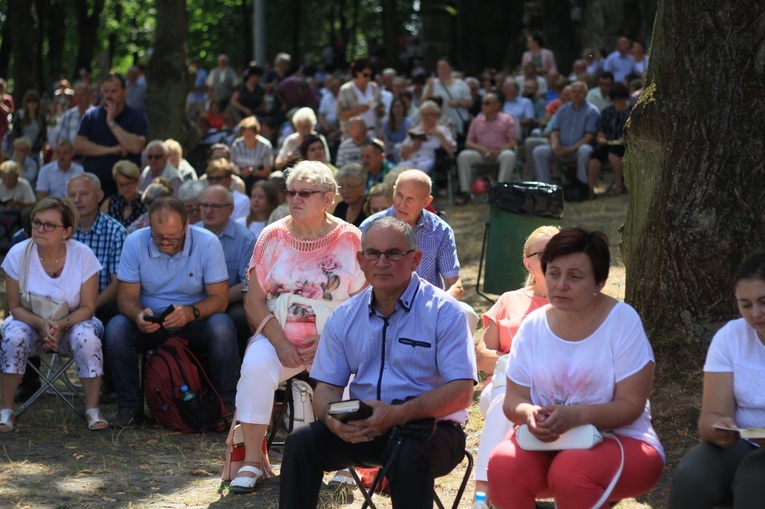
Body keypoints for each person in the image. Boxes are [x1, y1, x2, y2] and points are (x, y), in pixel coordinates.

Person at [278, 215, 477, 508]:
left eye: (393, 253)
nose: (382, 262)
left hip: (432, 430)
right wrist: (334, 422)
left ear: (415, 259)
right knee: (301, 442)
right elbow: (326, 391)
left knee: (408, 453)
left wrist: (397, 415)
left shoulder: (445, 312)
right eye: (373, 253)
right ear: (361, 260)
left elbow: (462, 392)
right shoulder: (345, 317)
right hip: (366, 426)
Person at [487, 227, 664, 508]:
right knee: (502, 465)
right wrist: (529, 414)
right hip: (547, 442)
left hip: (621, 440)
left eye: (574, 276)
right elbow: (513, 400)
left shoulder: (622, 322)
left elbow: (631, 405)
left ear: (600, 282)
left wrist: (576, 415)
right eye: (554, 273)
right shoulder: (532, 326)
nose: (560, 284)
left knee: (571, 470)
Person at [229, 161, 367, 493]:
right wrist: (280, 343)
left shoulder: (351, 238)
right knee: (255, 367)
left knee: (354, 372)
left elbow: (364, 302)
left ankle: (346, 462)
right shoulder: (272, 235)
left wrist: (327, 341)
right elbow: (253, 300)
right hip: (280, 334)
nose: (295, 198)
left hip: (337, 336)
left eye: (305, 193)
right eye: (291, 191)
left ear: (329, 198)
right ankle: (251, 461)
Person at [105, 196, 239, 427]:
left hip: (194, 320)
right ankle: (129, 406)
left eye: (172, 237)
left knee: (222, 325)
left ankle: (224, 403)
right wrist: (138, 315)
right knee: (117, 328)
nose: (165, 242)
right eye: (158, 237)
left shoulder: (208, 243)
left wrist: (192, 312)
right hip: (151, 321)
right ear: (149, 226)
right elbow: (125, 297)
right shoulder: (135, 241)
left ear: (187, 226)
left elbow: (220, 299)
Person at [666, 252, 765, 508]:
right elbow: (710, 417)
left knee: (756, 477)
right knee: (693, 474)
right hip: (743, 442)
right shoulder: (731, 337)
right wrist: (720, 429)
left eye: (764, 302)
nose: (756, 313)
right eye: (746, 305)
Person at [0, 198, 107, 432]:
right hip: (29, 321)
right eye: (36, 222)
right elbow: (15, 307)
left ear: (67, 231)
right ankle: (5, 409)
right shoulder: (18, 253)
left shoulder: (83, 255)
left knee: (87, 338)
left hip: (72, 322)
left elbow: (88, 307)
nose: (40, 229)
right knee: (13, 336)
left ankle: (92, 408)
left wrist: (61, 324)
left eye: (49, 225)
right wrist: (40, 324)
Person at [473, 226, 557, 501]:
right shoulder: (509, 300)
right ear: (527, 262)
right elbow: (482, 355)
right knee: (506, 396)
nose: (553, 258)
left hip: (550, 391)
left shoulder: (571, 303)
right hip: (500, 386)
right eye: (544, 253)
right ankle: (484, 492)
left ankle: (485, 497)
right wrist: (516, 365)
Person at [360, 170, 478, 332]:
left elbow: (455, 286)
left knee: (466, 313)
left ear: (426, 201)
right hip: (381, 307)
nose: (401, 204)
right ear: (393, 191)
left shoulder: (439, 230)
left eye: (410, 199)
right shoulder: (370, 227)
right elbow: (359, 282)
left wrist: (433, 307)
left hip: (428, 307)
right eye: (399, 195)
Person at [198, 185, 257, 358]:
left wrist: (213, 300)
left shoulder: (245, 239)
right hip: (190, 298)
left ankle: (229, 381)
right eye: (204, 205)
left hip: (227, 301)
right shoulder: (190, 233)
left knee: (237, 318)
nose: (208, 211)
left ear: (231, 209)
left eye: (215, 206)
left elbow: (246, 284)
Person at [74, 72, 148, 199]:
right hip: (94, 186)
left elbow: (136, 146)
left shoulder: (137, 117)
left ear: (125, 92)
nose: (109, 96)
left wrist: (111, 123)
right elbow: (79, 145)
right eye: (106, 91)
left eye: (114, 91)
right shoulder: (91, 116)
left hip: (124, 189)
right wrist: (113, 149)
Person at [532, 81, 599, 199]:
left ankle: (582, 187)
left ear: (586, 94)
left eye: (580, 92)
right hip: (561, 149)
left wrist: (571, 149)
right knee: (539, 151)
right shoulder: (563, 110)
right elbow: (555, 132)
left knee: (585, 150)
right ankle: (545, 190)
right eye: (573, 92)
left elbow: (589, 136)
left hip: (577, 150)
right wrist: (554, 147)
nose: (576, 94)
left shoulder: (592, 111)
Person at [457, 92, 518, 197]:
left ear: (497, 105)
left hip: (500, 153)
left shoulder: (507, 119)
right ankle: (465, 192)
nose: (483, 105)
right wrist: (481, 149)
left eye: (487, 103)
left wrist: (499, 151)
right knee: (464, 156)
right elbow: (468, 142)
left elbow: (513, 142)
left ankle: (500, 191)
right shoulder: (477, 120)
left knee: (509, 155)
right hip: (481, 154)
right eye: (482, 103)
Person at [588, 82, 632, 197]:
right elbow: (600, 131)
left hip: (625, 146)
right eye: (616, 98)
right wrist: (601, 138)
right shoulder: (607, 112)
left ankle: (618, 184)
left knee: (614, 153)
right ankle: (590, 188)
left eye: (621, 98)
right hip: (608, 143)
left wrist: (625, 140)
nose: (619, 101)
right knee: (596, 155)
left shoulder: (631, 112)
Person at [399, 100, 455, 175]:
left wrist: (440, 136)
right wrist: (413, 147)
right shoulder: (415, 131)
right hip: (413, 159)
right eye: (423, 115)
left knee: (422, 167)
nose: (426, 118)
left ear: (436, 116)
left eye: (429, 115)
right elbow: (402, 154)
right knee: (401, 167)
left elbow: (451, 152)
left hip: (431, 160)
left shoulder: (443, 131)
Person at [423, 57, 473, 139]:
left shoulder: (460, 84)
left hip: (458, 121)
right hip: (439, 123)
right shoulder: (432, 84)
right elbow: (424, 103)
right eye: (439, 68)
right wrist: (430, 87)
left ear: (451, 68)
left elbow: (470, 102)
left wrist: (458, 103)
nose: (441, 70)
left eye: (444, 67)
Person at [336, 58, 384, 138]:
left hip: (374, 133)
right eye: (365, 75)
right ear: (357, 73)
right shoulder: (346, 90)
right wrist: (359, 109)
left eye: (370, 76)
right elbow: (340, 115)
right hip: (354, 136)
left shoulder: (374, 88)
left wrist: (379, 109)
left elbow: (381, 110)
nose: (368, 78)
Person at [230, 116, 274, 192]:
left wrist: (253, 172)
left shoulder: (265, 146)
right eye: (245, 135)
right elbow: (231, 163)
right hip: (239, 177)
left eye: (250, 135)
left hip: (257, 178)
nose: (247, 138)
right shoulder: (237, 144)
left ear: (256, 133)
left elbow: (267, 170)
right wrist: (238, 170)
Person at [101, 160, 145, 228]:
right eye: (121, 184)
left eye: (129, 183)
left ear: (137, 181)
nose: (126, 188)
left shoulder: (145, 203)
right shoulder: (109, 203)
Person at [50, 83, 93, 148]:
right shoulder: (67, 116)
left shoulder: (98, 115)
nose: (79, 98)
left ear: (89, 96)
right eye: (77, 95)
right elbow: (58, 139)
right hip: (71, 156)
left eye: (82, 95)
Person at [12, 90, 48, 166]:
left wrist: (33, 149)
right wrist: (22, 148)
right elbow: (15, 132)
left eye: (34, 101)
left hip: (34, 152)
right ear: (25, 102)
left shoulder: (41, 117)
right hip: (20, 151)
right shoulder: (20, 115)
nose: (32, 104)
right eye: (29, 101)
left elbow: (43, 135)